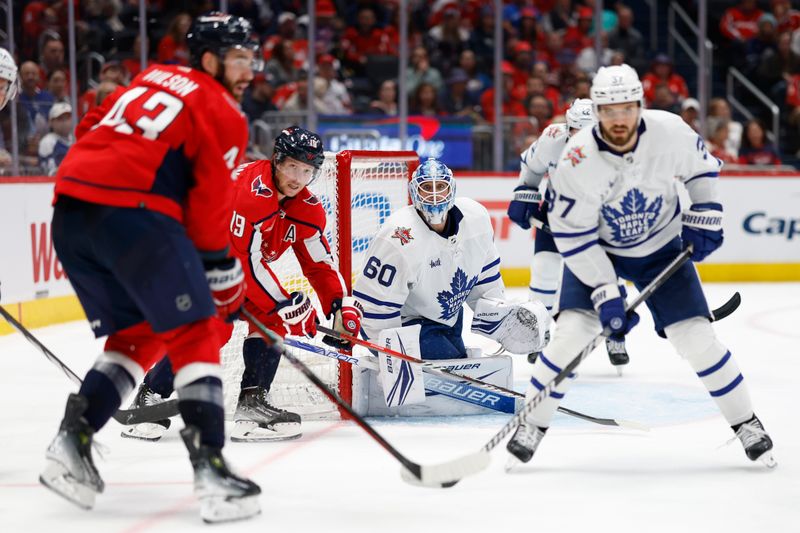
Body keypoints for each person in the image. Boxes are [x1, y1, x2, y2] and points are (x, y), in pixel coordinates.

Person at [40, 13, 263, 523]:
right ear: (209, 60)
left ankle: (70, 446)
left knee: (138, 336)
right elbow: (208, 213)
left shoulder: (151, 76)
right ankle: (212, 470)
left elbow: (91, 125)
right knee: (198, 331)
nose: (249, 70)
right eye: (239, 59)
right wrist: (224, 282)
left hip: (70, 211)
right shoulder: (226, 113)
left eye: (253, 59)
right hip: (132, 215)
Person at [505, 64, 776, 471]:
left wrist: (705, 212)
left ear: (640, 106)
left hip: (662, 249)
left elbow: (703, 171)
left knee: (699, 341)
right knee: (569, 339)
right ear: (596, 111)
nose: (618, 119)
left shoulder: (670, 131)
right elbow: (575, 240)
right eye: (609, 110)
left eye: (626, 108)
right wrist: (605, 292)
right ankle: (533, 424)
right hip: (599, 250)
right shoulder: (576, 160)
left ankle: (746, 423)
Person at [121, 126, 363, 443]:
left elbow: (318, 264)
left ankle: (252, 405)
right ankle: (150, 395)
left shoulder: (307, 209)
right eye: (292, 166)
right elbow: (241, 263)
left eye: (307, 171)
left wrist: (337, 306)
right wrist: (287, 303)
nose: (298, 178)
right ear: (276, 160)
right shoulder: (249, 192)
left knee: (270, 320)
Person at [354, 157, 550, 362]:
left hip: (448, 320)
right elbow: (374, 307)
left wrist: (502, 319)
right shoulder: (399, 237)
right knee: (453, 366)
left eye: (440, 186)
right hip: (404, 325)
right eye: (426, 187)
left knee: (458, 364)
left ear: (452, 189)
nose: (435, 195)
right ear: (414, 192)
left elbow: (485, 284)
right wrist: (394, 355)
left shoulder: (477, 219)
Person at [508, 98, 633, 371]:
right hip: (556, 211)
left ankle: (615, 334)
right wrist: (524, 194)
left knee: (608, 276)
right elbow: (531, 167)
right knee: (544, 270)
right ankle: (537, 334)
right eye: (575, 130)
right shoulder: (553, 138)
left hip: (598, 217)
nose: (579, 138)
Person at [38, 101, 74, 175]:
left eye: (68, 118)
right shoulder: (48, 141)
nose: (65, 122)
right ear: (51, 122)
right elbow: (50, 172)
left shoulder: (76, 139)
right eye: (60, 119)